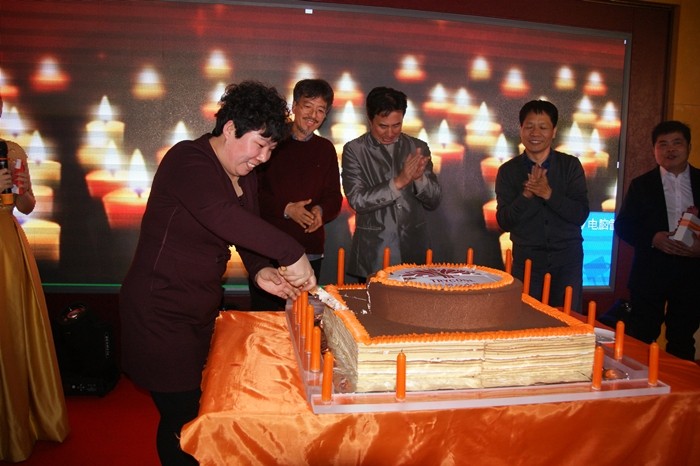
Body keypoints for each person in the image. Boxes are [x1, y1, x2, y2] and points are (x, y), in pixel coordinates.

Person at [119, 81, 316, 466]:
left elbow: (246, 231)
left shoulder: (246, 175)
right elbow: (221, 215)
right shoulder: (187, 160)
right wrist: (292, 253)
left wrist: (260, 270)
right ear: (229, 128)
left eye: (271, 149)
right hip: (160, 309)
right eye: (260, 145)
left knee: (194, 414)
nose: (263, 157)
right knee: (183, 420)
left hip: (199, 307)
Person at [0, 95, 70, 462]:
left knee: (12, 330)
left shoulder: (11, 150)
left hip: (6, 246)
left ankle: (17, 423)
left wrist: (23, 190)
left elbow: (26, 207)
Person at [250, 79, 342, 310]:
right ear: (294, 106)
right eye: (308, 106)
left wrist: (321, 211)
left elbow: (334, 197)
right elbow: (252, 195)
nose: (313, 115)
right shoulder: (271, 142)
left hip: (309, 250)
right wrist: (287, 209)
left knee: (302, 317)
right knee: (267, 316)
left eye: (320, 110)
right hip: (268, 248)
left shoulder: (325, 149)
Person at [614, 120, 700, 360]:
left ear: (689, 147)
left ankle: (679, 383)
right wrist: (653, 238)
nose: (670, 149)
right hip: (650, 270)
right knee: (642, 335)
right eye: (663, 144)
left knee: (683, 338)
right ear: (654, 150)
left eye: (676, 143)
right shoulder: (641, 185)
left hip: (692, 271)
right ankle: (642, 382)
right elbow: (623, 225)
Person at [495, 99, 589, 312]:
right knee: (527, 320)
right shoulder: (508, 171)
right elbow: (504, 221)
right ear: (521, 130)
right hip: (527, 262)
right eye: (529, 126)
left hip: (567, 260)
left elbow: (580, 214)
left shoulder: (570, 166)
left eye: (543, 127)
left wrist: (548, 194)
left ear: (554, 131)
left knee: (567, 319)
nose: (535, 133)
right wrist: (526, 195)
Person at [341, 86, 441, 281]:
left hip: (414, 252)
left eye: (396, 125)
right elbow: (357, 200)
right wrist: (399, 182)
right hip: (374, 253)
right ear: (370, 119)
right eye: (383, 126)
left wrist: (419, 179)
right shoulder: (355, 150)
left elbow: (434, 200)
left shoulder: (418, 147)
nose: (390, 133)